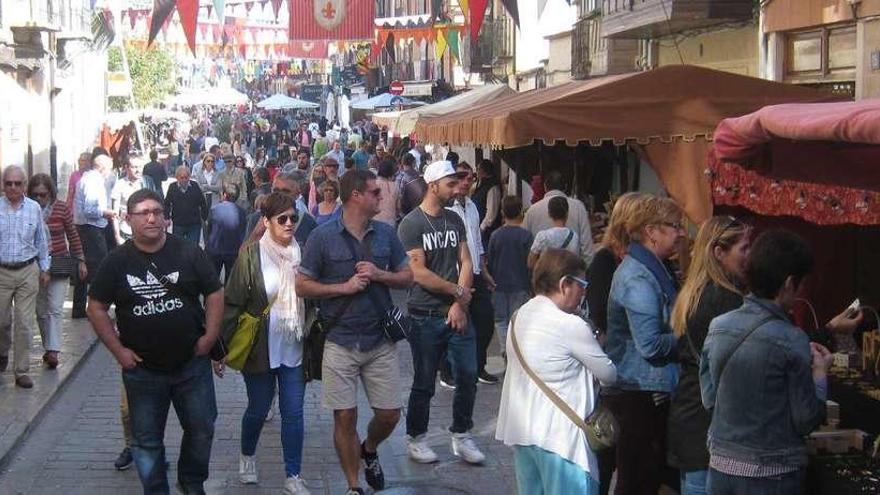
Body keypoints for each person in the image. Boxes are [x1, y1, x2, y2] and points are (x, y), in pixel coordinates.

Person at [86, 189, 223, 494]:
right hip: (143, 370)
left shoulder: (188, 252)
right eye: (143, 212)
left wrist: (210, 336)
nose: (151, 218)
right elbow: (95, 306)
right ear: (129, 219)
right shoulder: (116, 262)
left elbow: (214, 291)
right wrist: (118, 350)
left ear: (165, 217)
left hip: (191, 364)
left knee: (201, 429)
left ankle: (191, 483)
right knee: (146, 441)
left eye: (157, 211)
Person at [297, 170, 413, 495]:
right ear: (355, 196)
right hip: (340, 338)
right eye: (375, 192)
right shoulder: (322, 236)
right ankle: (353, 486)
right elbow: (301, 285)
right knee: (345, 416)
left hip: (380, 339)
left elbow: (407, 276)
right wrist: (343, 288)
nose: (382, 197)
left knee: (389, 414)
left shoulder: (387, 234)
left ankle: (370, 447)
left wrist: (380, 274)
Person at [699, 230, 831, 495]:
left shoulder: (719, 327)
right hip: (773, 473)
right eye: (802, 285)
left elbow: (710, 399)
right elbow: (806, 419)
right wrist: (820, 374)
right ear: (789, 283)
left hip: (721, 467)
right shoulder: (791, 339)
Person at [496, 249, 617, 494]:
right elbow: (609, 374)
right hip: (562, 440)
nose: (584, 292)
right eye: (582, 285)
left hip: (523, 432)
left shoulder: (519, 316)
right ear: (564, 285)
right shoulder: (571, 325)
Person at [220, 192, 311, 495]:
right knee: (258, 409)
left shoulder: (303, 255)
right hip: (260, 348)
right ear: (266, 222)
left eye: (293, 218)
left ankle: (293, 474)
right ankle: (247, 456)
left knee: (294, 412)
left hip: (293, 347)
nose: (289, 224)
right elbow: (232, 303)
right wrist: (219, 349)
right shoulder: (250, 254)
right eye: (281, 219)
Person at [398, 160, 486, 465]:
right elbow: (418, 272)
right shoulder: (412, 224)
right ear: (433, 185)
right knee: (424, 380)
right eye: (451, 183)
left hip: (456, 312)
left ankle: (461, 433)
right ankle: (416, 437)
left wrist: (459, 304)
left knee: (468, 374)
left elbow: (466, 261)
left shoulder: (454, 219)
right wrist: (458, 293)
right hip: (424, 315)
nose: (458, 187)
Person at [604, 196, 685, 495]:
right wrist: (689, 337)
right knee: (638, 479)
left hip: (651, 390)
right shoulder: (637, 276)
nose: (680, 233)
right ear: (651, 231)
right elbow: (650, 345)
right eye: (674, 226)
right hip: (639, 392)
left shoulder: (656, 269)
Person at [583, 192, 649, 495]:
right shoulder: (605, 260)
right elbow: (599, 315)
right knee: (609, 455)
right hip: (616, 373)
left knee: (632, 459)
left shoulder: (642, 263)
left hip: (635, 377)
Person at [445, 161, 497, 385]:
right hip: (455, 275)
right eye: (462, 177)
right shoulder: (446, 209)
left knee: (485, 321)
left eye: (470, 177)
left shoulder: (473, 206)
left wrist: (484, 271)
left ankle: (478, 365)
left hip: (475, 271)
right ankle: (447, 371)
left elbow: (477, 241)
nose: (467, 181)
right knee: (455, 324)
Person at [27, 174, 87, 369]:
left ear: (51, 193)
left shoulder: (61, 208)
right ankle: (48, 346)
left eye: (43, 195)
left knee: (55, 308)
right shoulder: (28, 210)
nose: (39, 199)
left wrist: (81, 260)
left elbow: (72, 233)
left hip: (59, 262)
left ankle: (53, 350)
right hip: (35, 264)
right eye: (35, 195)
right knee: (41, 310)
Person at [0, 166, 50, 388]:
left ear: (24, 185)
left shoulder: (33, 209)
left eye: (17, 183)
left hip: (27, 270)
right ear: (3, 184)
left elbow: (41, 240)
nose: (13, 187)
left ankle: (21, 371)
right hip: (1, 271)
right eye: (8, 183)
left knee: (24, 323)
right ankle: (2, 353)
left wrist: (45, 268)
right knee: (2, 321)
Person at [486, 195, 532, 360]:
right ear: (521, 211)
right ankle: (518, 354)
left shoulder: (495, 235)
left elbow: (490, 260)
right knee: (518, 322)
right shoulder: (526, 236)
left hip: (499, 284)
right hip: (521, 284)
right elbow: (530, 262)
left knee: (501, 321)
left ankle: (506, 351)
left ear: (502, 212)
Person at [73, 154, 115, 322]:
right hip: (91, 229)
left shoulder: (87, 179)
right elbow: (90, 210)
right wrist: (107, 212)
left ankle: (80, 308)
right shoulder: (93, 181)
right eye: (109, 169)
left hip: (86, 228)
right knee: (97, 270)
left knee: (85, 270)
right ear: (103, 168)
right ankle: (94, 309)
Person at [523, 170, 594, 264]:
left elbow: (525, 246)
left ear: (545, 187)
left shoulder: (532, 210)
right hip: (571, 273)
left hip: (543, 274)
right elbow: (587, 250)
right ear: (565, 187)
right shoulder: (578, 207)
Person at [111, 156, 157, 244]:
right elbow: (115, 214)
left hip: (145, 231)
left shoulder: (147, 182)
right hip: (127, 231)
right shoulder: (119, 185)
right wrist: (117, 236)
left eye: (140, 167)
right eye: (134, 167)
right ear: (126, 168)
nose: (138, 170)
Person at [206, 184, 247, 283]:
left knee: (213, 280)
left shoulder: (215, 209)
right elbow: (243, 231)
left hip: (215, 249)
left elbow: (209, 228)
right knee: (231, 281)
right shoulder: (241, 212)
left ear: (224, 194)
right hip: (233, 250)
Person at [528, 196, 579, 269]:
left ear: (549, 214)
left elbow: (530, 263)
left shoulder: (542, 236)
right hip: (565, 278)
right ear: (567, 214)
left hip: (546, 279)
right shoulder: (574, 236)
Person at [165, 166, 208, 245]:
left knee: (193, 247)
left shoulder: (194, 186)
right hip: (178, 223)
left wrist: (204, 217)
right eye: (182, 178)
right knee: (178, 247)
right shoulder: (172, 187)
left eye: (186, 177)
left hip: (194, 224)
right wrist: (166, 217)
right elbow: (167, 203)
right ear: (177, 177)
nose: (184, 180)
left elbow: (202, 202)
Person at [473, 159, 501, 247]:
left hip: (487, 231)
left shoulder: (493, 188)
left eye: (478, 169)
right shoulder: (481, 185)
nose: (476, 171)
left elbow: (491, 212)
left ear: (483, 171)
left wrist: (482, 228)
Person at [374, 159, 399, 225]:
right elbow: (398, 207)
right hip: (390, 222)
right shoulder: (395, 186)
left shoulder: (372, 184)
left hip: (374, 222)